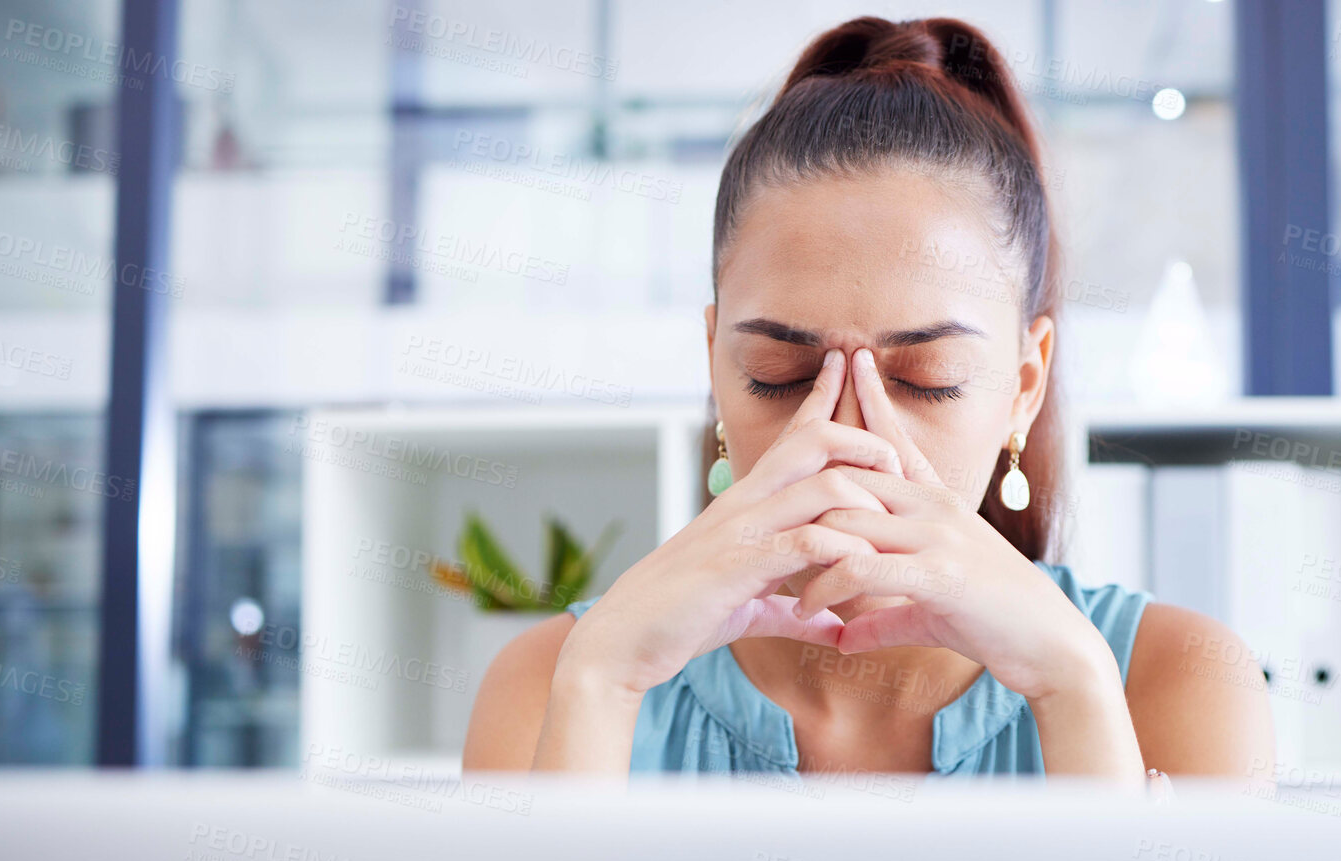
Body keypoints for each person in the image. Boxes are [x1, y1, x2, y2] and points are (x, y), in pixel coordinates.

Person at [464, 16, 1272, 781]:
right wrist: (599, 689)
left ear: (1023, 386)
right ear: (716, 367)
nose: (850, 439)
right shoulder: (552, 680)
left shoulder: (1174, 682)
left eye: (928, 378)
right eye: (779, 372)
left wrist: (1076, 696)